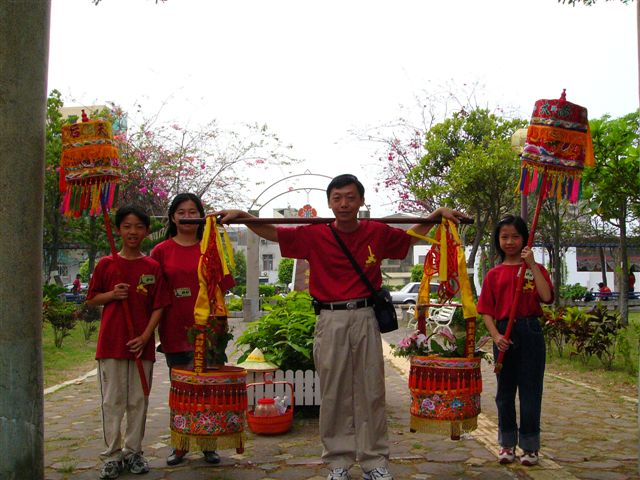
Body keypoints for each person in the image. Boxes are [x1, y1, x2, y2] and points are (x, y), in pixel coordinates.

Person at [215, 174, 467, 480]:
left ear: (361, 201)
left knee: (371, 391)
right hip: (330, 318)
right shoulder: (315, 234)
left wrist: (435, 215)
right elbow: (275, 233)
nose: (344, 203)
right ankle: (337, 462)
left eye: (350, 197)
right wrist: (244, 216)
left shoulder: (375, 231)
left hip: (365, 316)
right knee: (333, 393)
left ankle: (374, 461)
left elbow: (410, 239)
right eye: (337, 198)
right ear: (329, 203)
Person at [86, 205, 170, 480]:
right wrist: (112, 294)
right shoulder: (106, 264)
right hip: (111, 344)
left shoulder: (152, 267)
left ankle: (134, 452)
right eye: (127, 226)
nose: (133, 232)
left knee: (138, 401)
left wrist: (146, 337)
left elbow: (159, 305)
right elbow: (92, 299)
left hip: (141, 346)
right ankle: (112, 455)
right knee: (112, 401)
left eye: (138, 227)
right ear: (119, 230)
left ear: (146, 231)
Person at [150, 193, 221, 466]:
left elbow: (222, 286)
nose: (188, 217)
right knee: (181, 391)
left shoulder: (210, 248)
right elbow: (153, 292)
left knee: (208, 390)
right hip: (174, 329)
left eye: (193, 212)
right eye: (182, 212)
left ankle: (208, 444)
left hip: (209, 330)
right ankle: (179, 445)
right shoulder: (161, 251)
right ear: (172, 217)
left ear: (201, 216)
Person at [476, 215, 553, 467]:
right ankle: (506, 444)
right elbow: (486, 310)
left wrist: (531, 265)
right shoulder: (494, 274)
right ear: (498, 241)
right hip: (503, 335)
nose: (510, 242)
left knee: (531, 392)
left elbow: (546, 297)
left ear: (525, 239)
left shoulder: (534, 269)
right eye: (504, 237)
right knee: (504, 393)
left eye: (515, 237)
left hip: (530, 333)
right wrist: (496, 336)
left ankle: (530, 447)